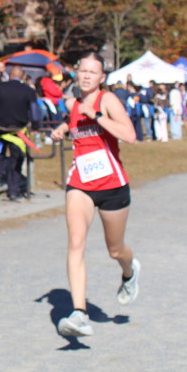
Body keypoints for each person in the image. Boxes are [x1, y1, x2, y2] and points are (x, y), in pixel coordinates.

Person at [49, 52, 139, 337]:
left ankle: (129, 272)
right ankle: (79, 314)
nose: (86, 76)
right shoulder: (72, 102)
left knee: (116, 250)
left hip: (112, 185)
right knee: (76, 242)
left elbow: (130, 135)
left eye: (92, 72)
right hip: (81, 183)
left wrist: (97, 116)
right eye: (83, 71)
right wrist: (63, 128)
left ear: (102, 77)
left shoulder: (107, 100)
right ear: (77, 73)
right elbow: (74, 121)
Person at [0, 65, 39, 201]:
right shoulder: (27, 90)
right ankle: (13, 190)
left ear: (10, 75)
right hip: (17, 129)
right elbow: (34, 110)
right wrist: (36, 125)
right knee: (17, 157)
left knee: (1, 153)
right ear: (22, 76)